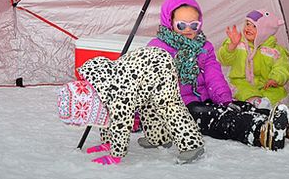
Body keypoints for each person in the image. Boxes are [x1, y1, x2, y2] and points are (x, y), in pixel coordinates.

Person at [147, 0, 289, 150]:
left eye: (194, 24)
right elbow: (147, 85)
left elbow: (214, 76)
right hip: (180, 107)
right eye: (181, 24)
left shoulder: (203, 46)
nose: (188, 29)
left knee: (240, 107)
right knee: (218, 119)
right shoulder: (158, 49)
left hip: (207, 97)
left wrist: (225, 100)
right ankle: (260, 132)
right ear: (169, 21)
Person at [57, 46, 205, 165]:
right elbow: (104, 115)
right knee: (147, 105)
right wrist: (108, 142)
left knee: (167, 105)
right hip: (141, 73)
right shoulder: (97, 86)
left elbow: (121, 123)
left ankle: (192, 145)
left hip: (160, 66)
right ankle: (158, 138)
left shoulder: (118, 94)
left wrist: (115, 155)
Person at [217, 9, 289, 108]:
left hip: (266, 83)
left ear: (265, 31)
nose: (248, 28)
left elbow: (282, 67)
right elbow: (224, 60)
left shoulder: (274, 51)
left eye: (254, 26)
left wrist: (275, 79)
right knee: (244, 91)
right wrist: (232, 46)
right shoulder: (238, 43)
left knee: (277, 94)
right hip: (241, 81)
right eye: (247, 24)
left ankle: (270, 107)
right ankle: (255, 103)